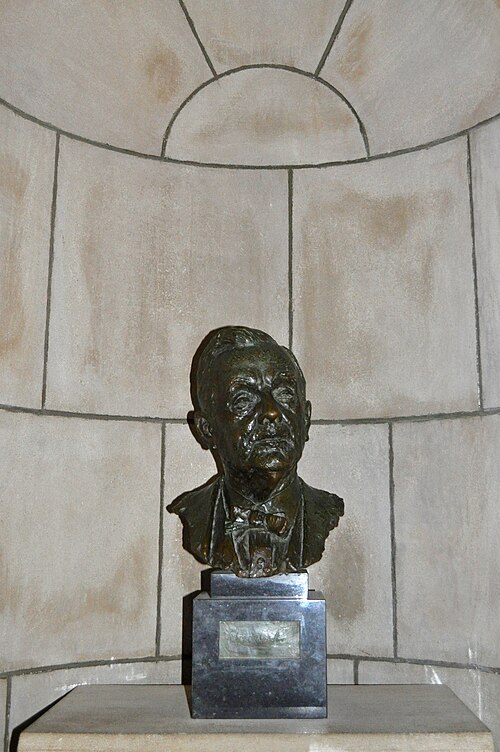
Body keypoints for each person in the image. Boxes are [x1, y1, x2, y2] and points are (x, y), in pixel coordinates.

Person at [168, 326, 343, 577]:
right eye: (243, 400)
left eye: (284, 394)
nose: (271, 412)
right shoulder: (195, 515)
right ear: (207, 430)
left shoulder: (324, 511)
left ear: (306, 420)